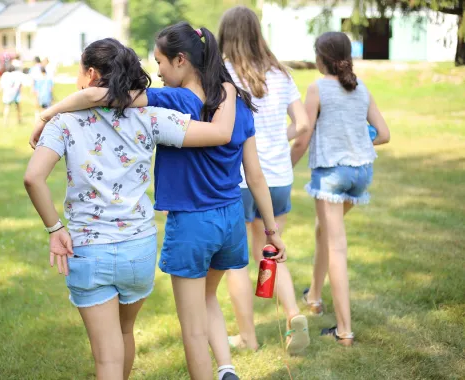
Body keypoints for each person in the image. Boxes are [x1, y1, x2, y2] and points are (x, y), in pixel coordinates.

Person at [29, 22, 287, 380]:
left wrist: (47, 114)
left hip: (191, 223)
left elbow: (97, 98)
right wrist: (271, 230)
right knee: (208, 297)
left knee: (191, 326)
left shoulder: (176, 100)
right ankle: (226, 367)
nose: (158, 73)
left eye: (161, 63)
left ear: (181, 60)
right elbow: (254, 174)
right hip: (228, 217)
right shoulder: (235, 100)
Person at [217, 5, 311, 354]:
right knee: (271, 251)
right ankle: (292, 315)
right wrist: (276, 138)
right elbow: (303, 126)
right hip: (279, 176)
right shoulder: (282, 74)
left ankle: (248, 337)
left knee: (236, 262)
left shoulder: (223, 74)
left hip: (239, 178)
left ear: (226, 36)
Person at [290, 31, 390, 346]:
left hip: (332, 175)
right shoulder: (361, 89)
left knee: (336, 246)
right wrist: (358, 141)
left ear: (321, 59)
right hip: (361, 174)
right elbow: (384, 134)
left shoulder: (317, 88)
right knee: (324, 230)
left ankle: (344, 331)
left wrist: (286, 165)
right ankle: (315, 297)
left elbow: (303, 135)